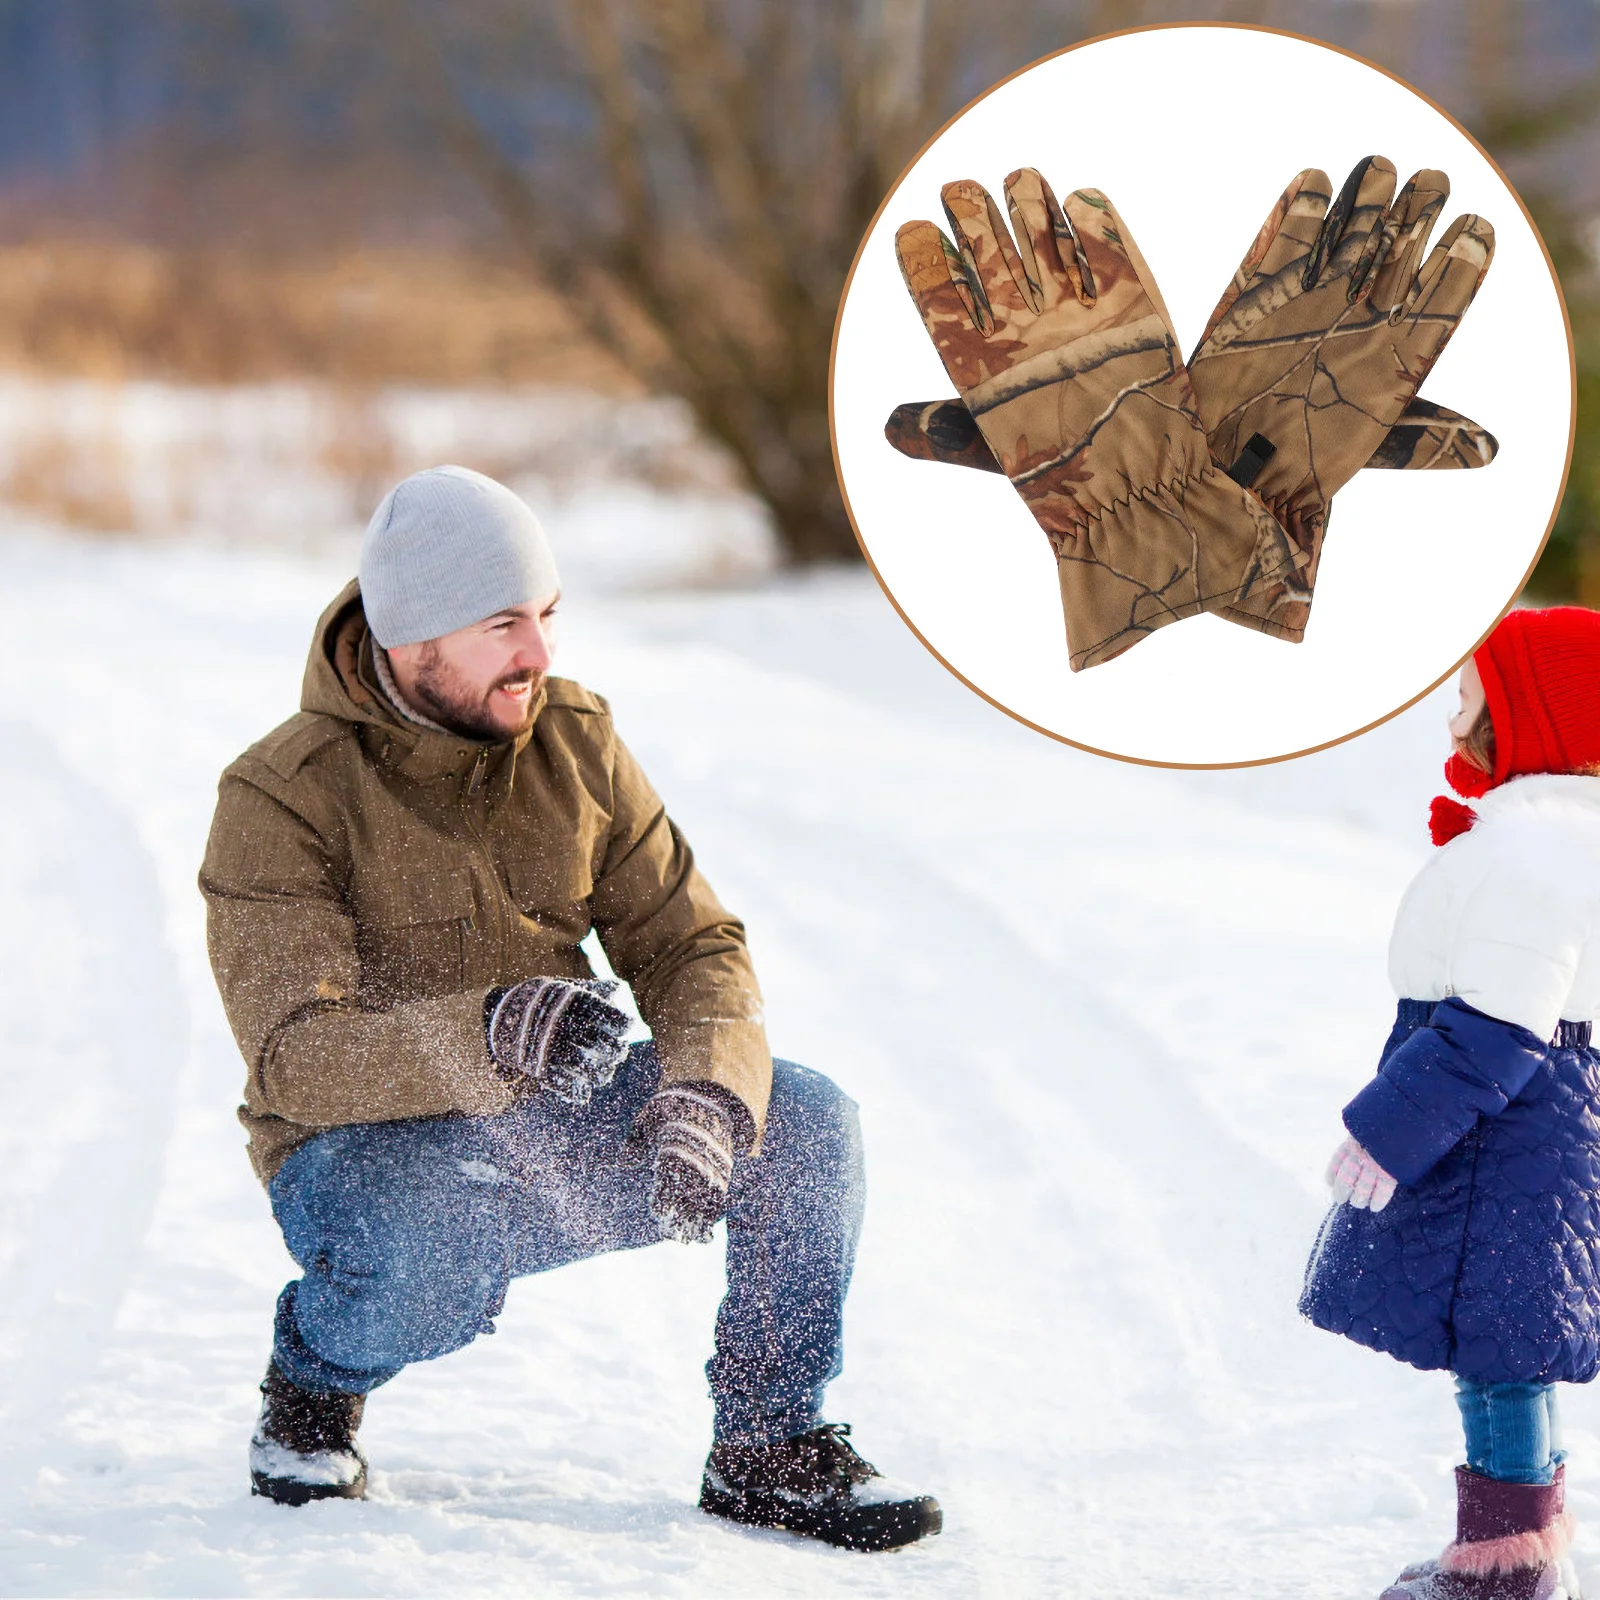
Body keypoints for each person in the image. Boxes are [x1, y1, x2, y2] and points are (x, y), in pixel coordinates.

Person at [199, 464, 941, 1553]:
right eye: (505, 624)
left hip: (551, 1122)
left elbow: (694, 945)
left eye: (545, 616)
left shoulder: (573, 739)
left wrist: (706, 1092)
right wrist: (486, 1027)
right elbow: (294, 1059)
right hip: (363, 1155)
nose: (539, 655)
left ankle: (767, 1447)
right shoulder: (280, 795)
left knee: (805, 1124)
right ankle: (312, 1382)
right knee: (434, 1245)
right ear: (415, 640)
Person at [1300, 606, 1600, 1599]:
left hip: (1510, 1141)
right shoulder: (1549, 840)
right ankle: (1530, 1546)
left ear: (1532, 717)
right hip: (1533, 1131)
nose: (1452, 715)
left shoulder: (1534, 856)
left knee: (1500, 1354)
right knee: (1508, 1347)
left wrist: (1386, 1130)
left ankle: (1502, 1565)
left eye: (1470, 695)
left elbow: (1496, 1029)